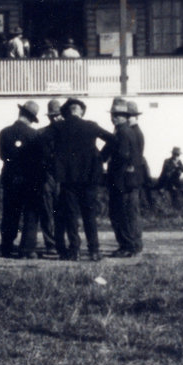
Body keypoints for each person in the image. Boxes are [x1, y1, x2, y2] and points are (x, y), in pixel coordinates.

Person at [45, 97, 114, 260]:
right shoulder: (91, 125)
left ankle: (74, 250)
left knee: (71, 215)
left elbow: (41, 141)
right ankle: (94, 250)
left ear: (66, 112)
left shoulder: (58, 126)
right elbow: (113, 139)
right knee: (89, 215)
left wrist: (55, 160)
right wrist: (100, 157)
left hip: (68, 178)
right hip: (89, 178)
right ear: (81, 111)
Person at [0, 101, 43, 258]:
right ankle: (27, 249)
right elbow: (39, 159)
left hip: (10, 177)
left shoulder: (4, 133)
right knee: (30, 213)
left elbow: (2, 156)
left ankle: (6, 246)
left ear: (20, 113)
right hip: (29, 178)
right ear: (32, 118)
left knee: (10, 212)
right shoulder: (35, 135)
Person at [103, 98, 145, 257]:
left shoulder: (122, 132)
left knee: (121, 214)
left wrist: (109, 164)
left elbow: (122, 155)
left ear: (122, 116)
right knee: (126, 213)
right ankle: (131, 245)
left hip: (122, 182)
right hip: (127, 181)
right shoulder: (128, 131)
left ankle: (128, 246)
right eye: (114, 114)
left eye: (117, 115)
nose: (113, 118)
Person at [38, 98, 65, 256]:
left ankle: (60, 242)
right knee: (47, 211)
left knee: (61, 211)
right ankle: (51, 244)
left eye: (58, 115)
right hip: (48, 175)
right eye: (53, 116)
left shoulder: (68, 133)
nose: (55, 118)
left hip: (62, 177)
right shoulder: (43, 133)